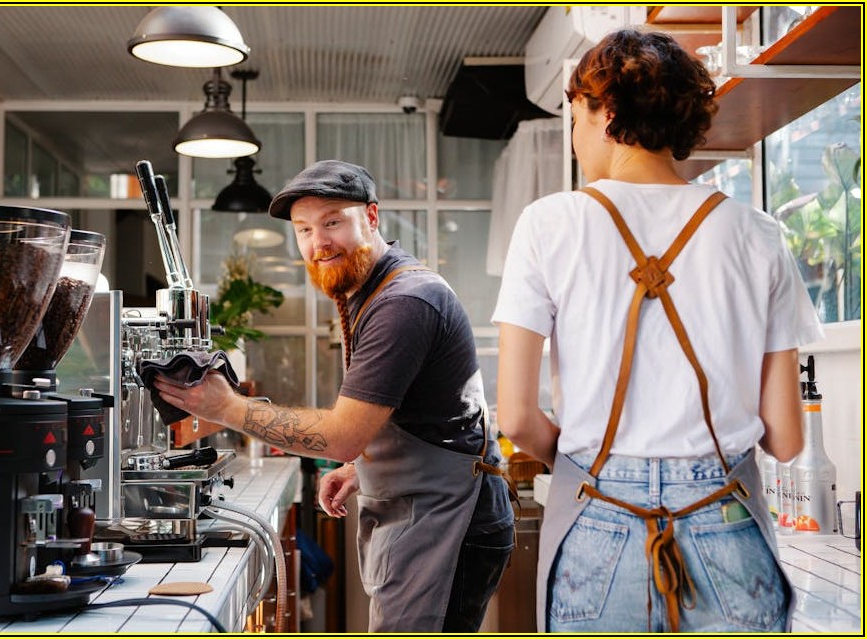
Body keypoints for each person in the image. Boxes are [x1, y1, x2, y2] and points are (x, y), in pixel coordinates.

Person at [492, 29, 823, 633]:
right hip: (726, 514)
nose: (573, 138)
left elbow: (515, 417)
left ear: (607, 112)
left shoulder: (547, 224)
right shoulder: (758, 234)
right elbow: (786, 440)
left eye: (574, 118)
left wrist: (586, 467)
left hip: (597, 518)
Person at [153, 159, 514, 632]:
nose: (317, 243)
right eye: (303, 230)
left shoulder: (403, 302)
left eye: (332, 222)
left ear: (372, 216)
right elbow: (417, 416)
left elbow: (343, 434)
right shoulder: (368, 288)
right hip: (425, 510)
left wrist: (227, 407)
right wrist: (361, 467)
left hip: (448, 521)